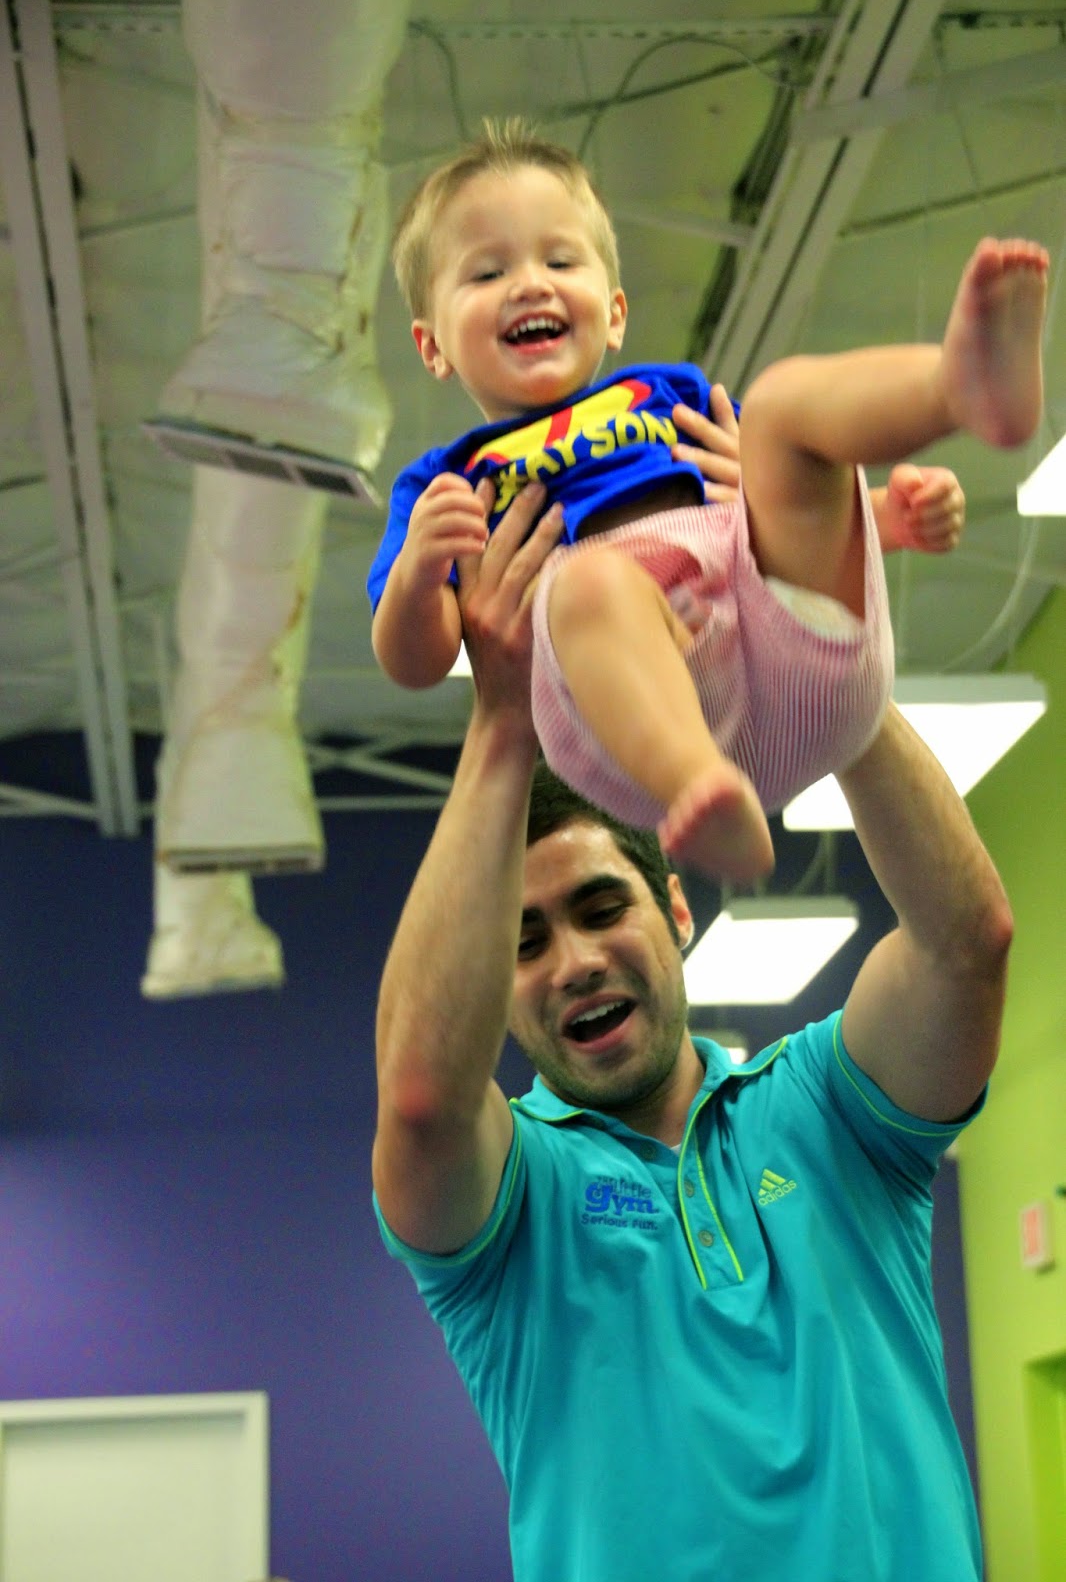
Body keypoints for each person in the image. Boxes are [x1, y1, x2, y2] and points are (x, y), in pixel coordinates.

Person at [371, 476, 1014, 1582]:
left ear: (675, 908)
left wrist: (804, 621)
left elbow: (968, 945)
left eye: (600, 907)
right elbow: (423, 1103)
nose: (575, 961)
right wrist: (501, 722)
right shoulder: (515, 1199)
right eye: (523, 942)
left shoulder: (829, 1111)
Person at [367, 120, 1048, 883]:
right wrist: (418, 573)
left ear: (615, 312)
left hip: (787, 645)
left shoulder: (669, 393)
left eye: (560, 260)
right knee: (589, 583)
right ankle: (700, 785)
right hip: (640, 716)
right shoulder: (445, 483)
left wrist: (889, 515)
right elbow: (414, 661)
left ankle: (955, 390)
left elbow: (788, 501)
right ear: (432, 346)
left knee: (779, 403)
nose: (530, 283)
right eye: (487, 273)